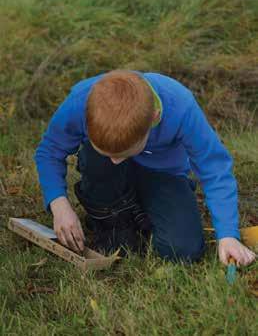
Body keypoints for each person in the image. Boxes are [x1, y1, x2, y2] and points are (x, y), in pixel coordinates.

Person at [34, 70, 256, 266]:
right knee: (101, 167)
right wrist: (58, 203)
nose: (115, 161)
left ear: (154, 118)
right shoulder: (81, 101)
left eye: (122, 154)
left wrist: (228, 234)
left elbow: (214, 168)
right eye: (108, 152)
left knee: (183, 251)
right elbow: (50, 150)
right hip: (101, 175)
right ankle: (112, 222)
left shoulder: (180, 105)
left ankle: (138, 210)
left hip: (163, 173)